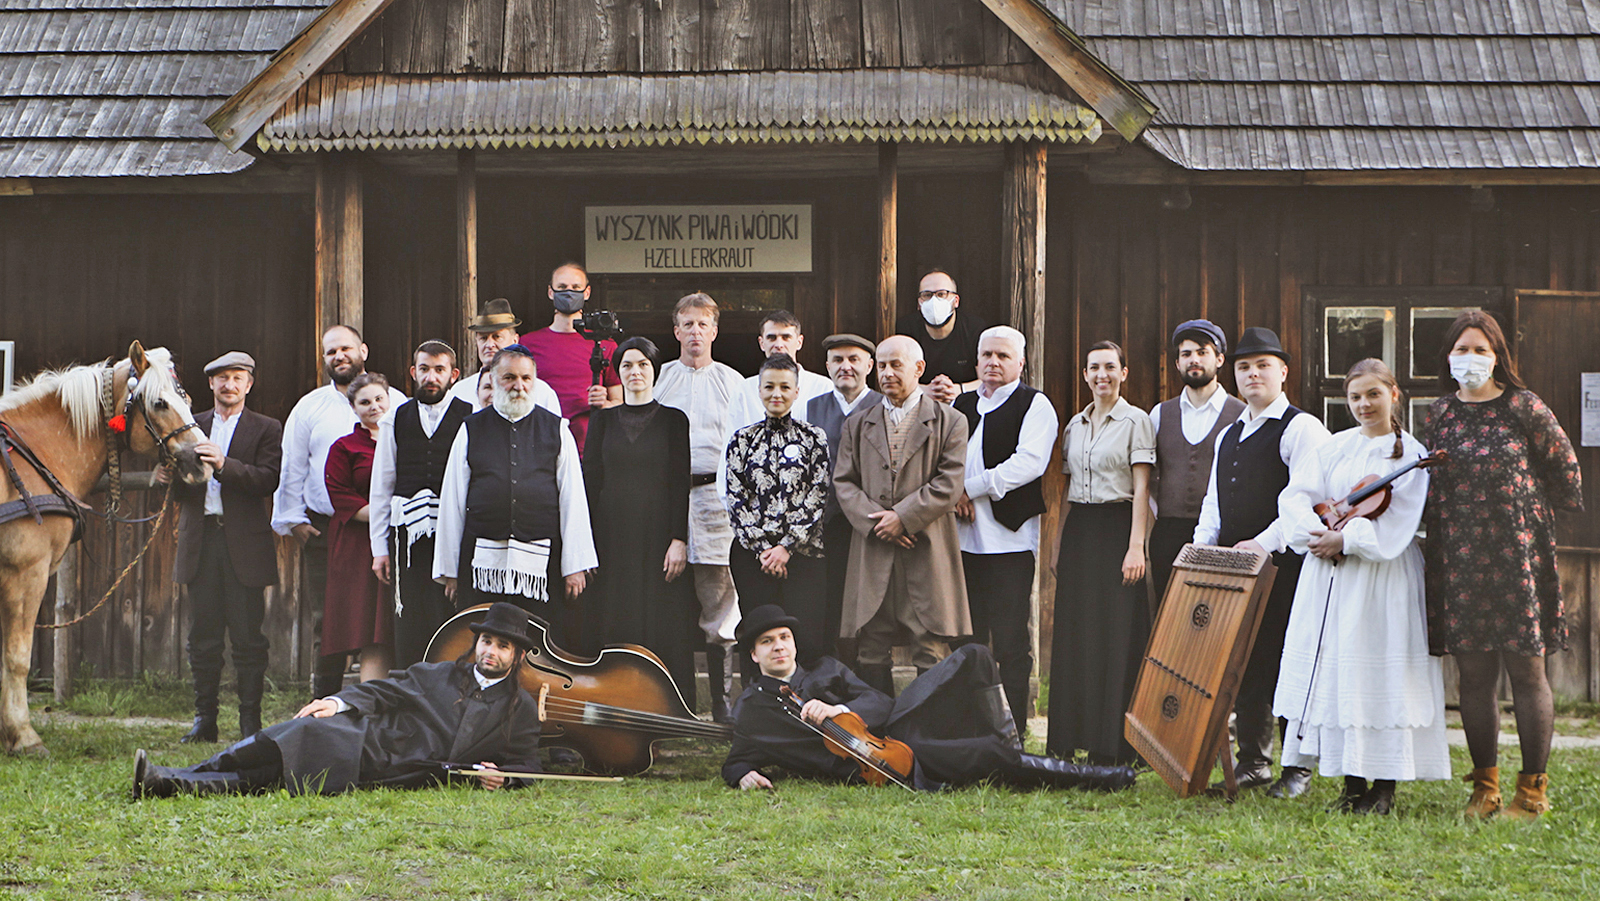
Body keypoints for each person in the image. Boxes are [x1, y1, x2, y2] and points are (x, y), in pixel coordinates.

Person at [1421, 311, 1583, 821]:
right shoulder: (1440, 413)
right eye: (1461, 349)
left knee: (1527, 672)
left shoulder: (1523, 407)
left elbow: (1566, 472)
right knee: (1473, 676)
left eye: (1480, 349)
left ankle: (1532, 791)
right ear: (1448, 357)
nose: (1469, 358)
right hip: (1462, 560)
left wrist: (1526, 515)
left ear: (1497, 357)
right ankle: (1485, 787)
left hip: (1517, 560)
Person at [132, 602, 543, 798]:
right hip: (368, 736)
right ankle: (177, 776)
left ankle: (168, 782)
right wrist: (338, 703)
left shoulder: (519, 708)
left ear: (518, 655)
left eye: (502, 646)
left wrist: (504, 777)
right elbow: (382, 689)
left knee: (280, 774)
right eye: (486, 641)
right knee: (288, 738)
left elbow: (529, 764)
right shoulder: (439, 674)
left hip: (397, 768)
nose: (491, 651)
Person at [1273, 359, 1450, 815]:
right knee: (1338, 674)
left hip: (1382, 576)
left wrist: (1347, 540)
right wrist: (1316, 533)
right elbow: (1296, 497)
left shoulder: (1411, 455)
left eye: (1373, 394)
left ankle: (1384, 788)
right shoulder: (1334, 447)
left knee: (1380, 675)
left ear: (1393, 394)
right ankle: (1351, 784)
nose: (1363, 404)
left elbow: (1400, 522)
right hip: (1330, 574)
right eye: (1355, 397)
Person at [722, 605, 1135, 792]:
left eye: (784, 637)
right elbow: (737, 757)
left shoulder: (825, 669)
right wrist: (741, 774)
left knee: (975, 655)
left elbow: (881, 703)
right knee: (988, 753)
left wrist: (840, 709)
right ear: (754, 655)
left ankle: (1013, 746)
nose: (779, 646)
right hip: (889, 759)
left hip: (895, 723)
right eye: (767, 642)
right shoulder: (754, 709)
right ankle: (1098, 777)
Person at [1194, 326, 1331, 796]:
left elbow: (1309, 500)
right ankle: (1254, 763)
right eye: (1244, 367)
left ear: (1283, 372)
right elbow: (1214, 501)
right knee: (1247, 663)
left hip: (1287, 566)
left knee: (1290, 662)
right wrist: (1202, 550)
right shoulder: (1228, 433)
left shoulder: (1301, 427)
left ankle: (1298, 768)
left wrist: (1263, 542)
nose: (1253, 374)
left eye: (1263, 366)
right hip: (1237, 571)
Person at [272, 325, 407, 698]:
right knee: (329, 621)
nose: (339, 356)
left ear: (363, 350)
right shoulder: (310, 406)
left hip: (393, 534)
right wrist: (294, 520)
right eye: (331, 352)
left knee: (383, 623)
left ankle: (387, 703)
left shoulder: (396, 401)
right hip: (328, 528)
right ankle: (323, 705)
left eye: (345, 348)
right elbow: (292, 465)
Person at [434, 345, 598, 646]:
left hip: (542, 562)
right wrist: (449, 570)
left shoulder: (556, 429)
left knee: (539, 643)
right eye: (509, 377)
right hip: (481, 562)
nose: (518, 385)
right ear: (494, 380)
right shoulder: (471, 429)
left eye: (525, 378)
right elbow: (452, 500)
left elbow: (573, 499)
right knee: (481, 642)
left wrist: (575, 565)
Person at [834, 336, 969, 695]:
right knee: (871, 645)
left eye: (896, 364)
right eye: (881, 365)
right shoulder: (857, 424)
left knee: (930, 645)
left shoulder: (950, 421)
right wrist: (881, 522)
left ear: (919, 368)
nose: (887, 373)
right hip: (874, 548)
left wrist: (903, 517)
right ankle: (876, 726)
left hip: (926, 547)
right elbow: (843, 483)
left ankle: (926, 728)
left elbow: (950, 483)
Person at [1046, 341, 1154, 766]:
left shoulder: (1136, 421)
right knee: (1076, 636)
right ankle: (1068, 739)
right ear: (1085, 374)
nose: (1101, 375)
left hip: (1117, 529)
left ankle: (1112, 746)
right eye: (1094, 367)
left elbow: (1142, 489)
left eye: (1110, 367)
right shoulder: (1074, 425)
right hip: (1080, 532)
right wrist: (1058, 544)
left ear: (1123, 373)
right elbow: (1067, 490)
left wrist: (1136, 547)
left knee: (1114, 635)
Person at [167, 351, 282, 743]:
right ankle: (205, 721)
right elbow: (182, 491)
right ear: (211, 384)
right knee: (203, 637)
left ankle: (250, 722)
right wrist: (172, 475)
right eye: (222, 378)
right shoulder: (191, 424)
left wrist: (223, 464)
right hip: (201, 541)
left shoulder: (266, 428)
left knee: (249, 639)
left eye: (237, 378)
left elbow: (267, 480)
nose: (229, 385)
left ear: (249, 384)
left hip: (244, 547)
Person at [952, 326, 1058, 733]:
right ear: (977, 360)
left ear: (1021, 363)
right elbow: (945, 457)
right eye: (986, 355)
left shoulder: (1035, 405)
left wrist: (971, 488)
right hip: (961, 541)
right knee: (967, 638)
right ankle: (972, 726)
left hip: (1008, 542)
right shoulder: (962, 404)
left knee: (1011, 640)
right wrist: (953, 491)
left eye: (1002, 356)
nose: (993, 362)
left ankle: (1012, 730)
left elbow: (1028, 463)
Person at [582, 337, 697, 701]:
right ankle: (614, 700)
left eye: (643, 364)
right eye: (627, 365)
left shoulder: (674, 421)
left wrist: (679, 539)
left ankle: (667, 704)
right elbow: (591, 482)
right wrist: (586, 546)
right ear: (618, 372)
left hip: (658, 537)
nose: (635, 372)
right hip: (611, 537)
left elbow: (680, 483)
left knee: (662, 618)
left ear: (655, 370)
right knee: (613, 616)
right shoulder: (602, 421)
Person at [653, 293, 747, 721]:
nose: (695, 332)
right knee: (667, 596)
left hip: (714, 499)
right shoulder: (659, 379)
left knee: (719, 600)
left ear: (714, 331)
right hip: (666, 498)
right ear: (676, 331)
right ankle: (672, 700)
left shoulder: (733, 382)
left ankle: (722, 704)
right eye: (687, 324)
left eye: (702, 324)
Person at [370, 341, 473, 668]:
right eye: (425, 369)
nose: (431, 377)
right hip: (406, 536)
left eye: (440, 370)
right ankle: (410, 689)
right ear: (413, 372)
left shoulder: (470, 417)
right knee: (409, 616)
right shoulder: (395, 418)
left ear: (453, 375)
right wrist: (379, 549)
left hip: (453, 532)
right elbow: (382, 486)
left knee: (449, 612)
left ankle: (450, 687)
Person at [725, 355, 831, 659]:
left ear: (796, 392)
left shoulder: (814, 438)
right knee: (758, 636)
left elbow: (818, 495)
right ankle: (756, 690)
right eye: (769, 386)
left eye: (785, 387)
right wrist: (764, 549)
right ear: (759, 390)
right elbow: (736, 499)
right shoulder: (742, 440)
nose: (776, 394)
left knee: (806, 639)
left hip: (803, 554)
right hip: (753, 557)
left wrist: (786, 547)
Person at [1147, 319, 1243, 604]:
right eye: (1186, 354)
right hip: (1167, 535)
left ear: (1219, 359)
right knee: (1167, 614)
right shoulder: (1160, 414)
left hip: (1223, 535)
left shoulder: (1242, 414)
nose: (1194, 360)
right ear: (1177, 363)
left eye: (1202, 352)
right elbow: (1146, 477)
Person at [805, 334, 882, 656]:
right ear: (827, 366)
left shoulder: (882, 405)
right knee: (829, 598)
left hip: (870, 520)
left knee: (868, 601)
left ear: (870, 365)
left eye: (853, 359)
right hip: (827, 522)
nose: (845, 366)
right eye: (837, 360)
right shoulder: (813, 407)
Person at [324, 372, 394, 683]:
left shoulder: (405, 440)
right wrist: (393, 516)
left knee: (396, 627)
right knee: (371, 630)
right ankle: (366, 700)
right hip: (359, 548)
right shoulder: (344, 447)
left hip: (403, 544)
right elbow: (341, 497)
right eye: (365, 402)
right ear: (353, 408)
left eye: (379, 399)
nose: (374, 406)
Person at [519, 263, 621, 452]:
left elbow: (619, 403)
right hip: (540, 446)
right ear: (551, 292)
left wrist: (605, 403)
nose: (568, 293)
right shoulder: (528, 344)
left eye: (575, 287)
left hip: (589, 449)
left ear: (587, 292)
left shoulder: (604, 344)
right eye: (562, 287)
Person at [722, 310, 833, 442]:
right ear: (761, 343)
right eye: (771, 338)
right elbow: (730, 444)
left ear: (799, 342)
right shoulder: (744, 390)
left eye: (786, 337)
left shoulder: (823, 388)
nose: (779, 345)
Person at [448, 298, 561, 415]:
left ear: (515, 340)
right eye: (483, 338)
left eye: (497, 337)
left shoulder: (541, 393)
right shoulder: (460, 391)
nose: (489, 345)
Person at [895, 269, 986, 405]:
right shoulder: (906, 329)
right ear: (919, 303)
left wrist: (959, 389)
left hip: (965, 404)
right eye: (927, 295)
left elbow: (987, 379)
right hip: (918, 405)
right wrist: (923, 390)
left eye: (942, 294)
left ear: (956, 301)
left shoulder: (974, 329)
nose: (934, 301)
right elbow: (894, 377)